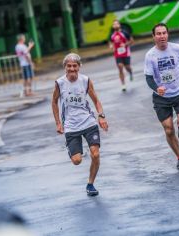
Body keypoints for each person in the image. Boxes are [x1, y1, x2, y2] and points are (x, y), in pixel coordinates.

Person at [144, 23, 179, 170]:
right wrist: (157, 88)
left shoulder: (177, 49)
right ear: (154, 37)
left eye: (164, 33)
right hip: (161, 97)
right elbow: (149, 78)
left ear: (167, 35)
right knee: (169, 130)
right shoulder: (150, 56)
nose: (162, 36)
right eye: (158, 34)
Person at [52, 53, 108, 196]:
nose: (72, 69)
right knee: (77, 161)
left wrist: (101, 116)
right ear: (65, 67)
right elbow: (54, 102)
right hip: (71, 126)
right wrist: (58, 123)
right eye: (69, 66)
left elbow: (96, 100)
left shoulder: (85, 80)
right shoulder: (60, 83)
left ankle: (90, 184)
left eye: (74, 66)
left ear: (79, 66)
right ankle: (75, 150)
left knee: (95, 154)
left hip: (88, 122)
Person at [109, 20, 134, 92]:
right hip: (117, 54)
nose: (115, 25)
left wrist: (125, 44)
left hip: (126, 53)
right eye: (114, 24)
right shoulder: (112, 35)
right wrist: (111, 46)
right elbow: (110, 42)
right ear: (113, 26)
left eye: (117, 24)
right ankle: (123, 84)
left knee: (127, 67)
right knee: (120, 66)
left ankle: (130, 72)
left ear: (119, 25)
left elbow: (132, 41)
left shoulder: (124, 33)